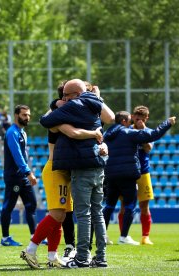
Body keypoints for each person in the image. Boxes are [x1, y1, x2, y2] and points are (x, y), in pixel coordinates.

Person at [20, 84, 104, 269]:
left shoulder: (68, 113)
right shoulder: (57, 119)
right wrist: (95, 134)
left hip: (64, 171)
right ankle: (30, 250)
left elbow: (103, 117)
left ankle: (52, 256)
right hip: (55, 170)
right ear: (63, 100)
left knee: (61, 216)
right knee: (57, 214)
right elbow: (73, 132)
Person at [39, 79, 114, 269]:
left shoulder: (73, 106)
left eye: (66, 95)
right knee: (97, 213)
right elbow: (111, 117)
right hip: (98, 165)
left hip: (81, 166)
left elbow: (46, 121)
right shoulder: (95, 105)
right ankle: (101, 257)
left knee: (83, 214)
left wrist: (55, 105)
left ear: (74, 95)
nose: (64, 98)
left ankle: (81, 257)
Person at [102, 111, 175, 245]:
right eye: (130, 119)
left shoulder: (107, 134)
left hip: (111, 174)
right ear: (124, 121)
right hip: (128, 174)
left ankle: (103, 236)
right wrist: (167, 123)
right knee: (130, 205)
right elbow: (154, 134)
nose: (132, 121)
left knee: (109, 205)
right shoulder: (128, 133)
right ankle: (123, 237)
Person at [117, 106, 156, 245]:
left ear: (146, 119)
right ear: (133, 117)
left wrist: (141, 133)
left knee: (144, 205)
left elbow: (148, 148)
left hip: (143, 172)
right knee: (124, 204)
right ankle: (123, 235)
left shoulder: (148, 132)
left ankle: (145, 236)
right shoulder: (126, 131)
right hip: (127, 172)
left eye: (142, 119)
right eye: (137, 118)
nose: (139, 121)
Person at [0, 105, 38, 247]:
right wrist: (28, 172)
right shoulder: (12, 133)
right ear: (16, 115)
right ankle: (5, 238)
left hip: (22, 176)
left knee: (31, 205)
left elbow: (24, 155)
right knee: (9, 206)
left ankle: (35, 237)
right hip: (14, 177)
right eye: (24, 115)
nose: (27, 118)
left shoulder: (22, 132)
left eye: (28, 115)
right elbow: (17, 156)